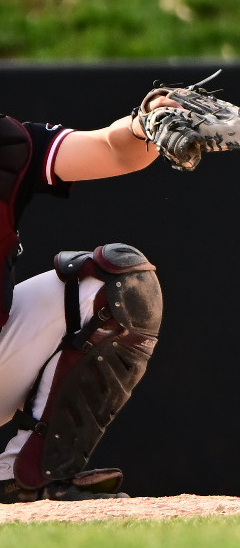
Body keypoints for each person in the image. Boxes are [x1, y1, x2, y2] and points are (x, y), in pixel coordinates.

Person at [0, 97, 180, 502]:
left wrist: (144, 124)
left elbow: (112, 150)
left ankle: (22, 474)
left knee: (117, 283)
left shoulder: (8, 143)